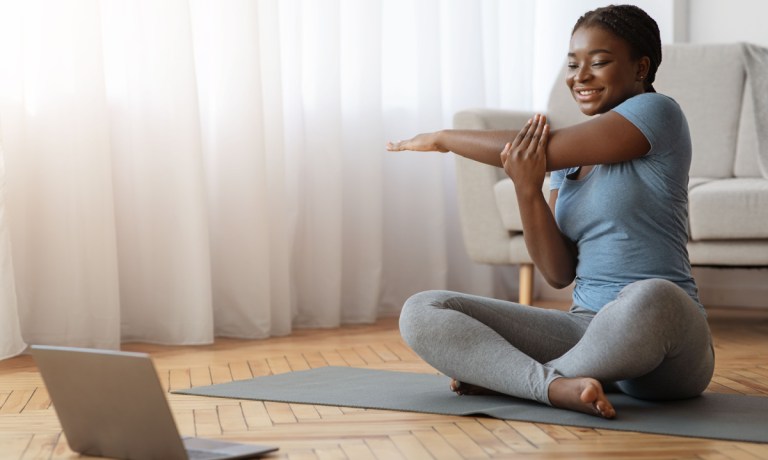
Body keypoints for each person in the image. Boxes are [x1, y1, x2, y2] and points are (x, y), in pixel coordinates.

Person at [386, 4, 714, 419]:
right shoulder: (567, 165)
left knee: (652, 294)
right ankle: (559, 387)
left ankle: (524, 381)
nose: (580, 76)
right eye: (573, 63)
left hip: (667, 342)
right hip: (586, 332)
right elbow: (559, 273)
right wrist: (527, 189)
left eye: (599, 62)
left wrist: (444, 138)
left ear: (640, 67)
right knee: (423, 309)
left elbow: (541, 148)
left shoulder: (658, 112)